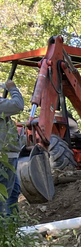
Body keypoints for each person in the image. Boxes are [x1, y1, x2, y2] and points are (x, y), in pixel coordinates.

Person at [0, 80, 24, 219]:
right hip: (5, 157)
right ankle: (5, 233)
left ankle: (12, 229)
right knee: (3, 197)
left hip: (9, 156)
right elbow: (18, 105)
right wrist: (13, 89)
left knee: (13, 192)